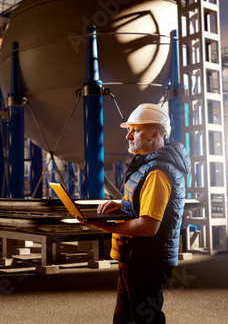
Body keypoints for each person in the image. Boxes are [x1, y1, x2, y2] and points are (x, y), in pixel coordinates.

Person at [77, 103, 191, 324]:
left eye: (135, 130)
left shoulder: (158, 171)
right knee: (125, 317)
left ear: (155, 134)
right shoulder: (148, 165)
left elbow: (148, 227)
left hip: (146, 260)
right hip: (134, 257)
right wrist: (123, 205)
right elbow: (146, 203)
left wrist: (104, 226)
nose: (128, 135)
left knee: (144, 319)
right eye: (128, 129)